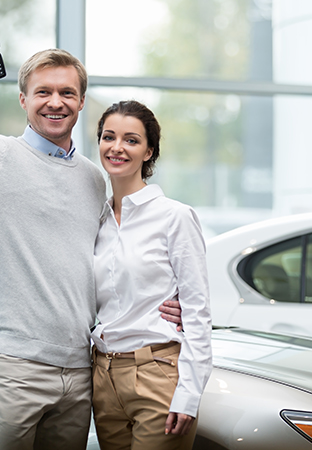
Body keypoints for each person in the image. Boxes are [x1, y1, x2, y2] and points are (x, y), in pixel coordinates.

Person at [0, 31, 182, 450]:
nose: (56, 102)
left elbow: (108, 262)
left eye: (67, 92)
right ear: (23, 100)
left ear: (81, 102)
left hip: (81, 371)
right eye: (43, 92)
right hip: (14, 368)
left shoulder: (93, 177)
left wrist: (163, 301)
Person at [91, 100, 213, 450]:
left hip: (157, 371)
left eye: (131, 140)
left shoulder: (174, 217)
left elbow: (198, 312)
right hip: (103, 375)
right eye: (108, 137)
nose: (117, 147)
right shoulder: (96, 220)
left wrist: (188, 394)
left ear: (149, 152)